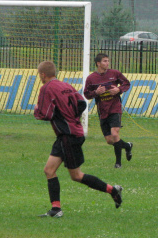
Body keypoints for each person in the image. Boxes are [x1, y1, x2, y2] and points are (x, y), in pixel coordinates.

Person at [34, 61, 123, 217]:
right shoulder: (66, 86)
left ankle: (112, 190)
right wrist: (71, 117)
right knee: (49, 170)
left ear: (42, 75)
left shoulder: (46, 88)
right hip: (69, 134)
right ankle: (56, 209)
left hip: (69, 136)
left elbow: (45, 114)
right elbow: (82, 103)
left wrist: (37, 111)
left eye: (38, 74)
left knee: (76, 176)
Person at [84, 53, 132, 168]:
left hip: (115, 108)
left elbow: (126, 83)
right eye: (105, 61)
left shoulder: (115, 73)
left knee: (115, 133)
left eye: (108, 61)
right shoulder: (91, 78)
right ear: (98, 63)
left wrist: (118, 89)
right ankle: (127, 146)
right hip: (103, 111)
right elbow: (87, 94)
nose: (107, 63)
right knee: (110, 140)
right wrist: (96, 92)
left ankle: (118, 163)